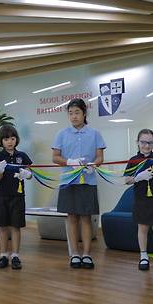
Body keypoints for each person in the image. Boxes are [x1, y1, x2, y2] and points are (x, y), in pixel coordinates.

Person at [52, 98, 105, 270]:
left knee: (86, 218)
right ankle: (74, 254)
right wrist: (70, 162)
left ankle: (87, 255)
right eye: (70, 113)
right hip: (68, 181)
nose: (74, 116)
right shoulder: (61, 133)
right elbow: (55, 157)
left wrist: (93, 165)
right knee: (72, 217)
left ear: (84, 114)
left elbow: (100, 158)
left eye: (77, 112)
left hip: (88, 181)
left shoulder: (95, 133)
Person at [124, 129, 153, 272]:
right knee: (142, 228)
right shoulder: (133, 160)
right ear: (137, 143)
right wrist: (138, 177)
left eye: (150, 142)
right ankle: (143, 256)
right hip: (141, 199)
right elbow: (127, 180)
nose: (147, 145)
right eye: (144, 142)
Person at [0, 124, 32, 270]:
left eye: (12, 138)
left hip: (18, 196)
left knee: (16, 226)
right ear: (1, 141)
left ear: (17, 140)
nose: (10, 141)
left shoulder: (22, 156)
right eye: (6, 139)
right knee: (2, 226)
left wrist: (27, 175)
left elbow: (30, 175)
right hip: (1, 196)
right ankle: (3, 255)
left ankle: (15, 256)